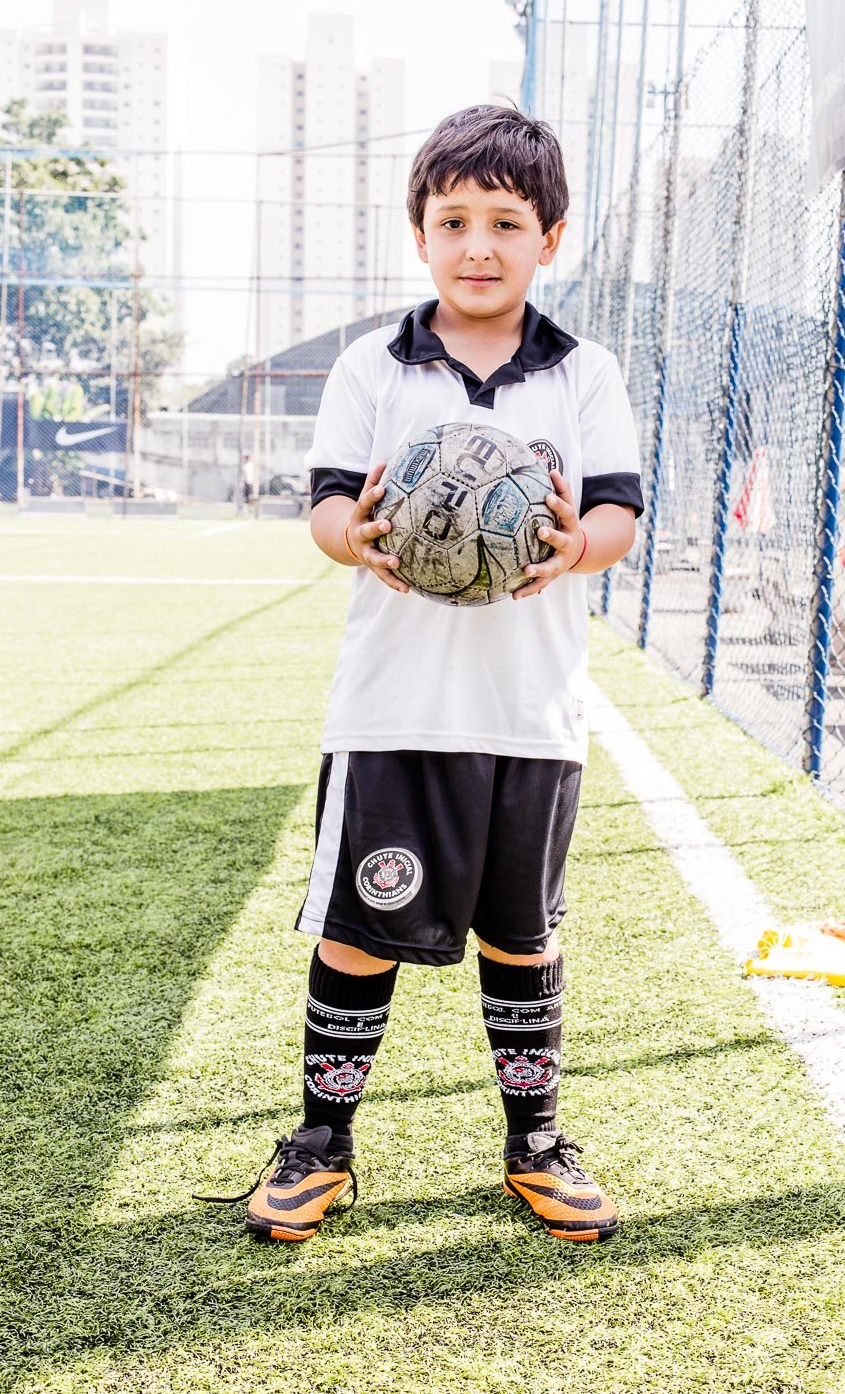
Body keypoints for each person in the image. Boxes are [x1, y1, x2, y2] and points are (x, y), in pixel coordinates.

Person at [238, 106, 643, 1244]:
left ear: (550, 237)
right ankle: (321, 1142)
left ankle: (536, 1144)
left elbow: (615, 511)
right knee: (360, 931)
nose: (478, 244)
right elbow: (326, 504)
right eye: (453, 219)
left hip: (529, 713)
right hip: (394, 708)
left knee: (523, 932)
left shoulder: (583, 373)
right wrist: (354, 537)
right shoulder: (375, 364)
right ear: (420, 233)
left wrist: (575, 546)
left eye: (505, 222)